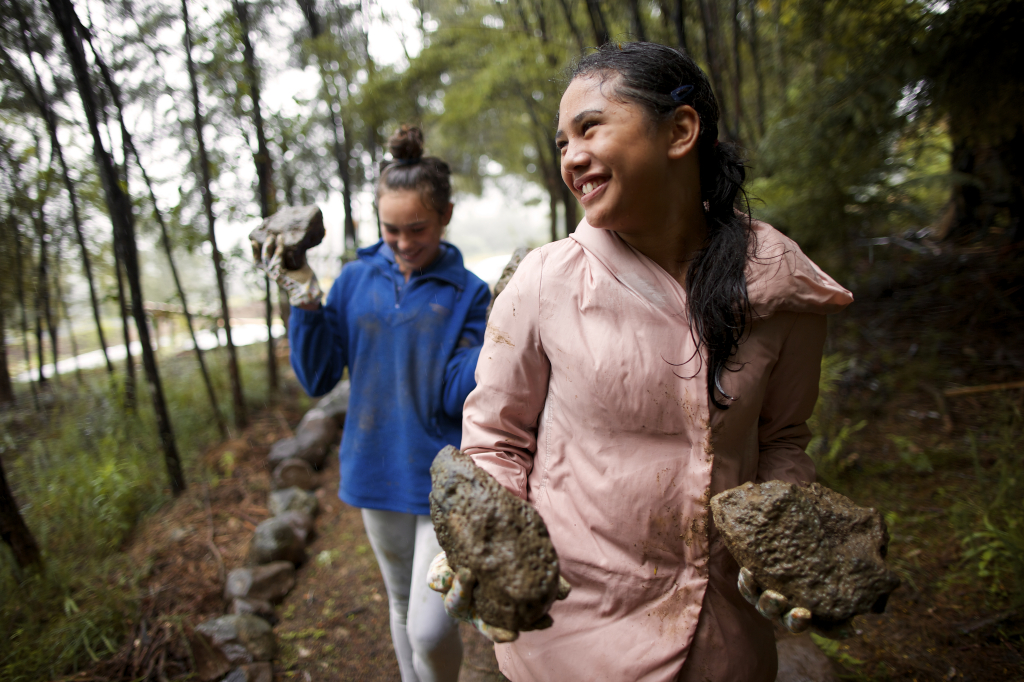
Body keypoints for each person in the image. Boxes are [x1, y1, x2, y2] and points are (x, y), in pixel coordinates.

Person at [438, 42, 854, 681]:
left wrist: (785, 546)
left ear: (681, 131)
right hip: (567, 629)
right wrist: (486, 541)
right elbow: (497, 438)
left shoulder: (779, 287)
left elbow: (783, 439)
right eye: (561, 143)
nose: (571, 157)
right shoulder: (545, 281)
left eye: (590, 127)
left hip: (720, 635)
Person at [263, 125, 491, 682]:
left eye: (418, 228)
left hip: (443, 478)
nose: (404, 241)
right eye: (391, 229)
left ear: (446, 216)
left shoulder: (469, 293)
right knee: (399, 604)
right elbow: (318, 376)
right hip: (373, 468)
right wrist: (305, 298)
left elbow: (456, 391)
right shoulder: (356, 279)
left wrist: (499, 343)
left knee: (431, 629)